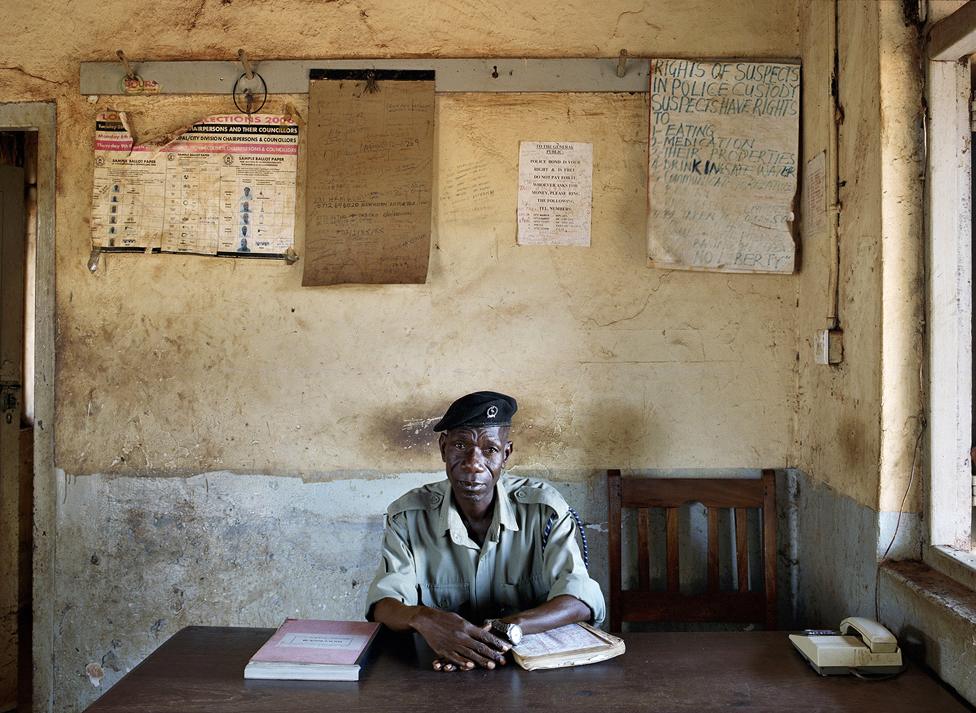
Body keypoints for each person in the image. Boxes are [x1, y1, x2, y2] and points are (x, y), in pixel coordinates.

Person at [365, 391, 605, 672]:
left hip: (529, 674)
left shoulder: (544, 511)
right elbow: (383, 604)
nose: (472, 463)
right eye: (460, 445)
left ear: (506, 454)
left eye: (489, 449)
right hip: (437, 672)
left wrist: (509, 628)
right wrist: (426, 619)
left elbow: (582, 600)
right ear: (443, 448)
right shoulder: (408, 516)